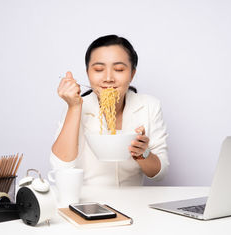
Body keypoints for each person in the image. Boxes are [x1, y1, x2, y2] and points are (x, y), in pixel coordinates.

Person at [50, 34, 169, 186]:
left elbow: (160, 173)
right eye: (99, 69)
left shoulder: (149, 105)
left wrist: (143, 153)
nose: (108, 78)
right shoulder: (78, 104)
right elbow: (61, 168)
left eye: (119, 69)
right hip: (86, 201)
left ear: (132, 74)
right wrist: (74, 107)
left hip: (133, 201)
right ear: (88, 73)